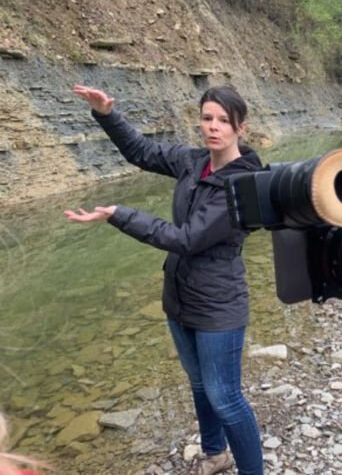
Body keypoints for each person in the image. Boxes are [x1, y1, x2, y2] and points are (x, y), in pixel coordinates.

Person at [66, 84, 264, 475]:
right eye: (207, 118)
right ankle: (215, 453)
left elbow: (186, 239)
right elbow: (142, 152)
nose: (214, 127)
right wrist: (107, 114)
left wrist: (120, 213)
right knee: (199, 385)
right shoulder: (194, 162)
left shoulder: (243, 185)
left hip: (219, 307)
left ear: (241, 127)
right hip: (179, 297)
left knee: (226, 398)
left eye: (224, 121)